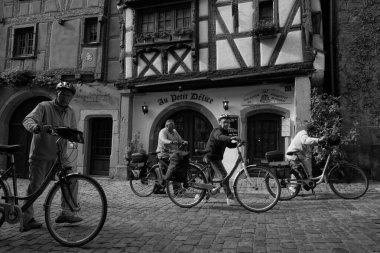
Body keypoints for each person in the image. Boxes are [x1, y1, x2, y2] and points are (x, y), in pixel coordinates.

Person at [22, 82, 82, 232]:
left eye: (68, 95)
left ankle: (66, 213)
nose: (65, 97)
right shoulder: (44, 106)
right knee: (36, 188)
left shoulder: (71, 112)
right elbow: (28, 120)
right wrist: (36, 127)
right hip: (41, 155)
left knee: (72, 179)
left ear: (71, 97)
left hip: (60, 156)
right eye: (62, 94)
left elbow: (73, 131)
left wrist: (75, 140)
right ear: (57, 94)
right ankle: (26, 219)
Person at [204, 114, 238, 206]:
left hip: (215, 157)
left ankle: (203, 195)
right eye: (224, 122)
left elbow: (228, 144)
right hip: (212, 157)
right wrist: (230, 137)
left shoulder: (225, 132)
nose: (226, 124)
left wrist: (237, 144)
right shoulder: (217, 130)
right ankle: (230, 197)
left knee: (208, 179)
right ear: (219, 122)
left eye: (227, 122)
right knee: (224, 176)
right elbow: (219, 137)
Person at [155, 119, 188, 193]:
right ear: (166, 126)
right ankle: (175, 188)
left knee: (175, 169)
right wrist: (171, 142)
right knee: (173, 169)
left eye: (173, 125)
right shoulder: (163, 131)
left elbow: (180, 139)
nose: (173, 126)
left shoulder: (174, 131)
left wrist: (183, 142)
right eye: (171, 125)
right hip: (163, 154)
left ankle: (175, 188)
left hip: (172, 154)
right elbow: (163, 140)